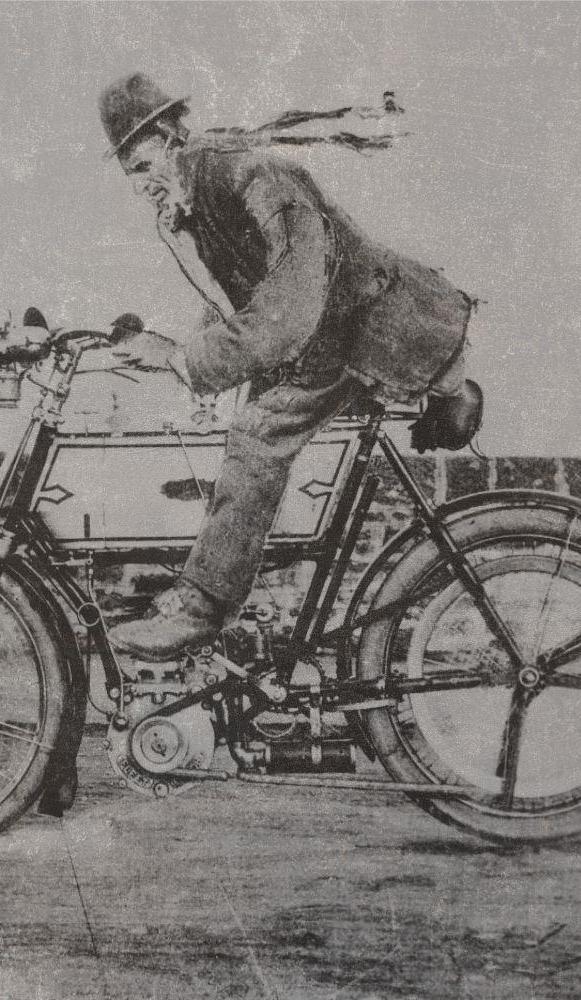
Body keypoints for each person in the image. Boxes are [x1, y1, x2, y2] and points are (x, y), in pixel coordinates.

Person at [100, 72, 477, 661]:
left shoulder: (251, 176)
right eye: (129, 177)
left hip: (360, 333)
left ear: (174, 137)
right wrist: (178, 350)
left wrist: (184, 362)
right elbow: (247, 300)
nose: (141, 186)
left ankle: (202, 610)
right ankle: (449, 388)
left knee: (258, 434)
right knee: (243, 433)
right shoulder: (202, 195)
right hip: (334, 333)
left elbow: (290, 307)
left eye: (144, 167)